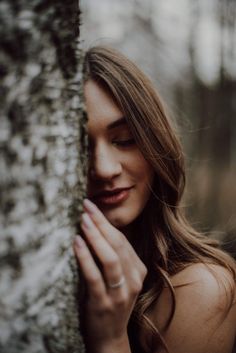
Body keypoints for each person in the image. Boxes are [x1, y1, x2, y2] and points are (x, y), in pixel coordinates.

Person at [73, 46, 236, 353]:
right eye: (79, 148)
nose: (104, 169)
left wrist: (111, 340)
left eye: (125, 140)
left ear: (155, 141)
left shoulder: (199, 289)